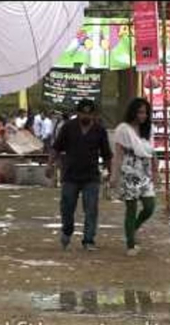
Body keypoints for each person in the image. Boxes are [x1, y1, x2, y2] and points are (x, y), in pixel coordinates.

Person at [48, 99, 112, 252]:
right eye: (83, 113)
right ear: (77, 113)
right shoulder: (68, 127)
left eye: (89, 114)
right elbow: (56, 148)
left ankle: (88, 239)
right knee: (67, 208)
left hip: (91, 176)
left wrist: (109, 172)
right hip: (70, 175)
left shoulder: (99, 130)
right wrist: (50, 165)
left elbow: (107, 154)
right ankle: (67, 230)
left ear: (94, 115)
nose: (86, 116)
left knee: (91, 209)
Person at [111, 98, 156, 257]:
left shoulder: (148, 129)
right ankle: (130, 243)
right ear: (133, 112)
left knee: (150, 206)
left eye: (145, 112)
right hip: (129, 170)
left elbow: (152, 151)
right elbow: (118, 154)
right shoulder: (123, 129)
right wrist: (114, 176)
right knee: (131, 208)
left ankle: (134, 228)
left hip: (145, 170)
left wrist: (155, 173)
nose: (143, 116)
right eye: (140, 112)